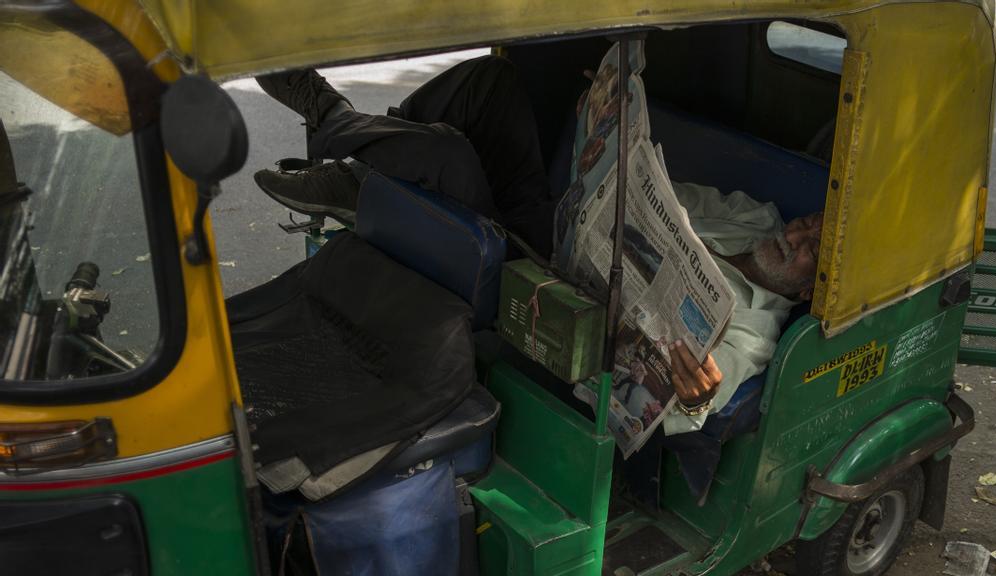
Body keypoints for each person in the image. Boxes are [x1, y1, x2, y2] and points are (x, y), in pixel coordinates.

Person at [253, 56, 822, 430]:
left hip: (546, 288)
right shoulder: (755, 216)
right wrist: (605, 132)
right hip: (556, 222)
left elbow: (694, 407)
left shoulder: (756, 331)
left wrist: (695, 399)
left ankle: (338, 123)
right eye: (807, 223)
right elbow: (655, 194)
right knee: (489, 85)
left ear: (806, 291)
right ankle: (367, 158)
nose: (795, 234)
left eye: (810, 249)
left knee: (447, 156)